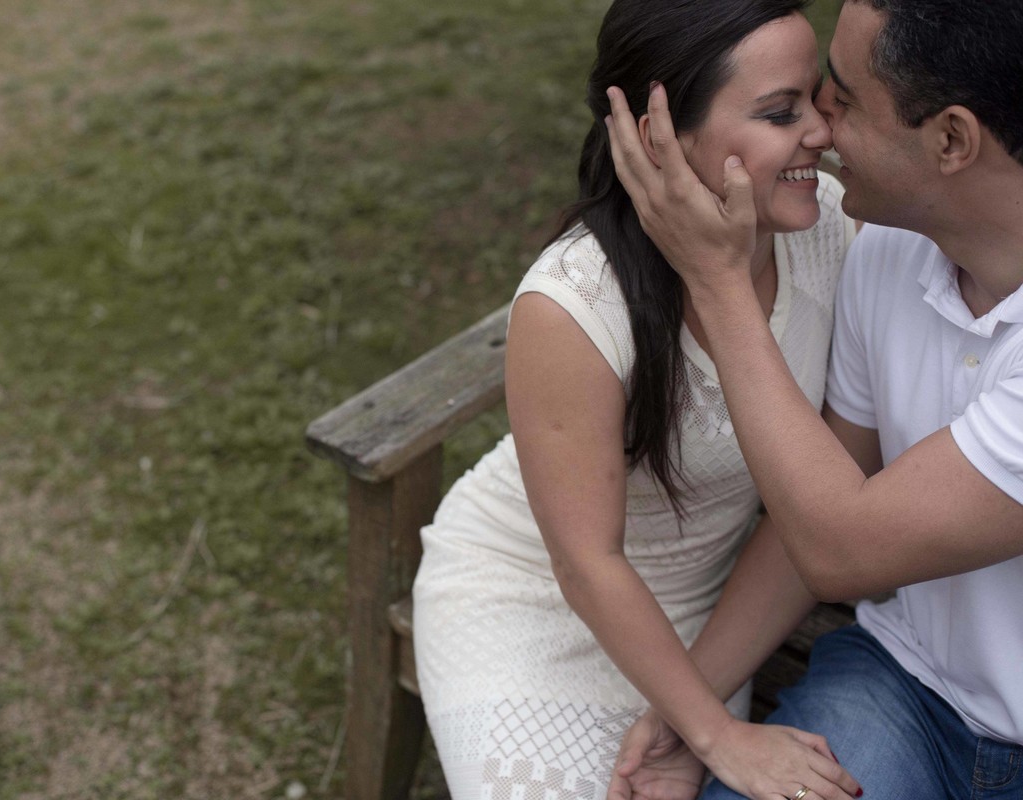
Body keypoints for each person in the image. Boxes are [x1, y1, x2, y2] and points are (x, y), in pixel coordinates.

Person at [410, 1, 865, 798]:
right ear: (659, 135)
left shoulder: (835, 232)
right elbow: (586, 562)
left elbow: (817, 521)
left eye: (816, 99)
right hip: (532, 596)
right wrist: (717, 733)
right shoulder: (574, 304)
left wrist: (694, 712)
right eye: (779, 112)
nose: (821, 134)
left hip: (707, 619)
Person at [605, 0, 1023, 797]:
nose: (822, 130)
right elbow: (821, 507)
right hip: (907, 685)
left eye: (845, 99)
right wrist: (690, 719)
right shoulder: (892, 249)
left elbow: (843, 550)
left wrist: (717, 282)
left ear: (952, 140)